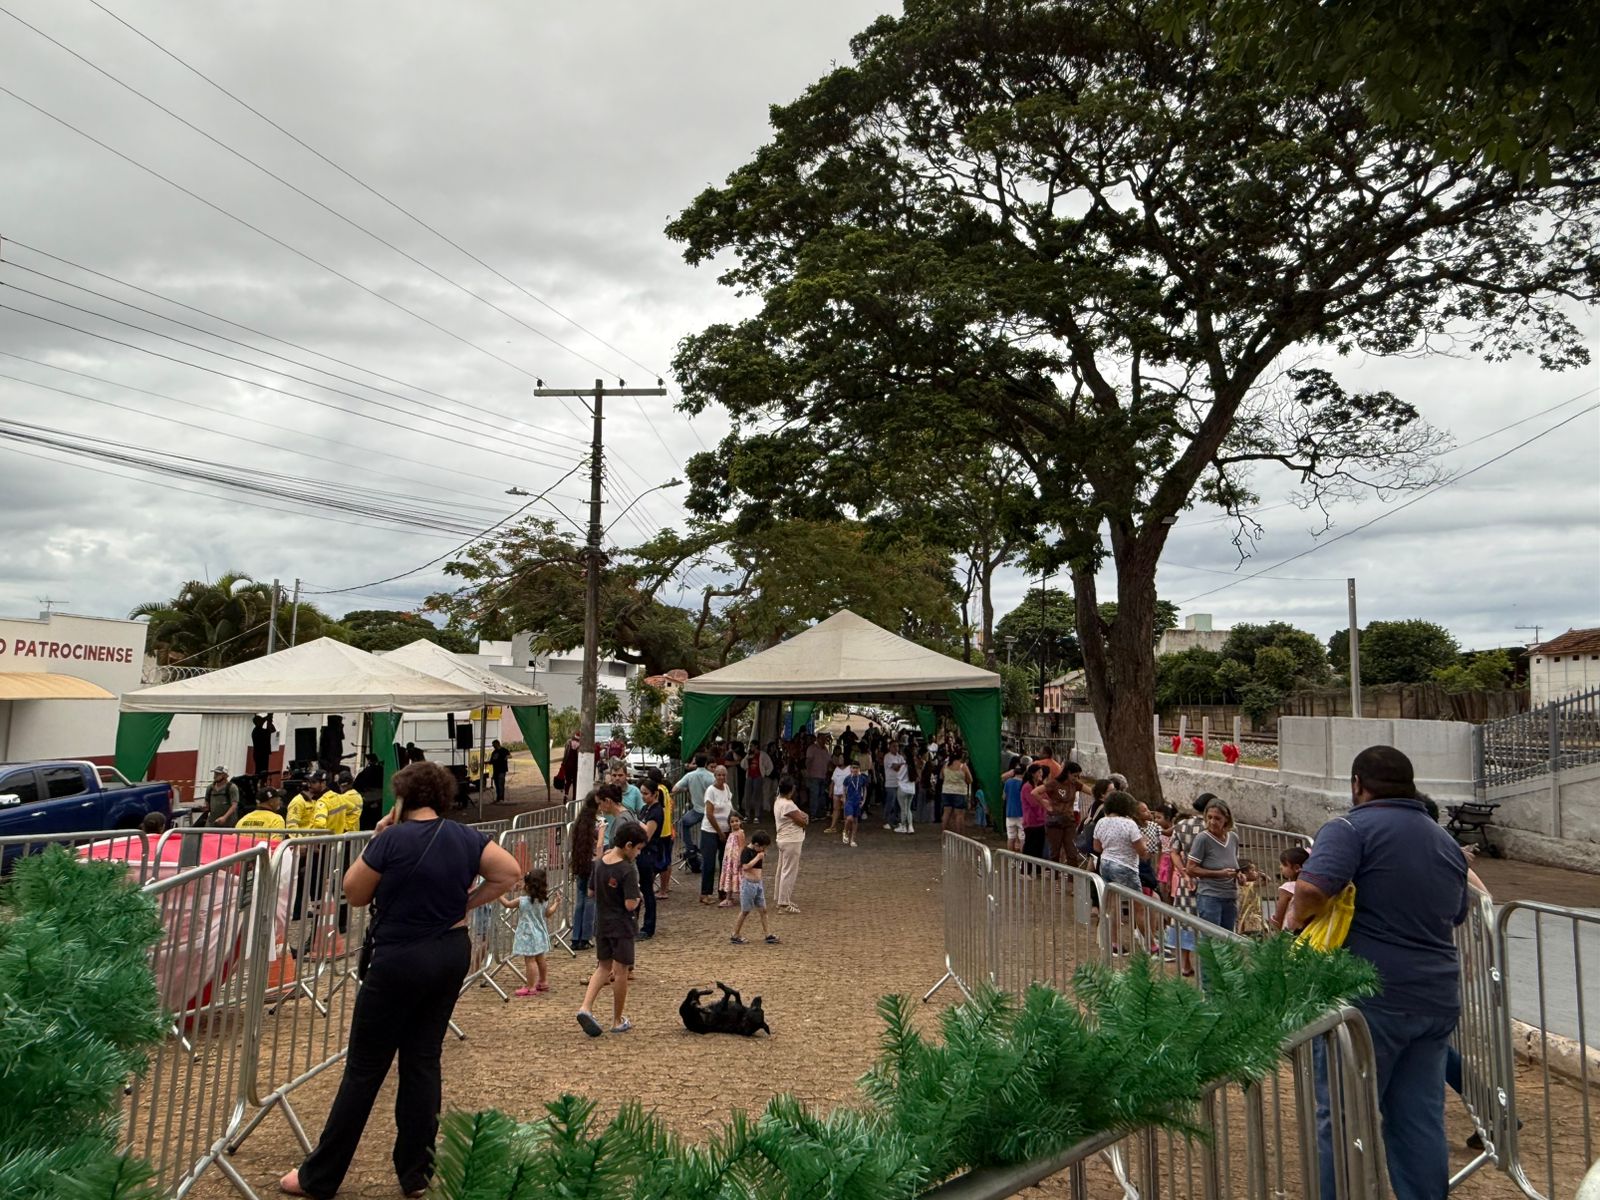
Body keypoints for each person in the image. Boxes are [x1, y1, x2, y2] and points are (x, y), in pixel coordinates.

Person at [279, 761, 521, 1199]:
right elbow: (509, 873)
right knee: (423, 1060)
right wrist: (465, 904)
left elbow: (354, 893)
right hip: (449, 952)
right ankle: (416, 1173)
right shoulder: (466, 837)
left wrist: (377, 839)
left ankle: (321, 1176)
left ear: (403, 798)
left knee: (365, 1069)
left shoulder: (391, 839)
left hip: (399, 957)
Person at [1290, 746, 1469, 1200]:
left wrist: (1296, 924)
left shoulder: (1350, 828)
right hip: (1435, 999)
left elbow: (1311, 888)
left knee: (1342, 1115)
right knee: (1419, 1120)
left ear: (1357, 784)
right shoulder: (1445, 842)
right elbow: (1459, 913)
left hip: (1367, 999)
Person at [576, 821, 647, 1037]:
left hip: (602, 924)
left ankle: (585, 1007)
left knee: (603, 967)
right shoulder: (627, 869)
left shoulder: (600, 863)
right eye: (638, 849)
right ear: (628, 845)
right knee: (621, 971)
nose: (638, 854)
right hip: (622, 926)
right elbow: (630, 904)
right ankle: (617, 1019)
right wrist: (638, 896)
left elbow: (590, 892)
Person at [1186, 797, 1240, 933]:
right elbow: (1190, 868)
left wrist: (1240, 875)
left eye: (1217, 818)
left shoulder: (1233, 838)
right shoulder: (1202, 839)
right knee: (1211, 938)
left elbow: (1234, 864)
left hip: (1230, 896)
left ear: (1226, 819)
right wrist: (1219, 874)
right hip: (1210, 896)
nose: (1212, 822)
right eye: (1209, 817)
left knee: (1228, 939)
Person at [500, 868, 557, 996]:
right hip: (540, 933)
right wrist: (556, 904)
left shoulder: (522, 901)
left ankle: (531, 986)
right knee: (541, 959)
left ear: (528, 886)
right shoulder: (543, 900)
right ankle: (543, 981)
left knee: (530, 961)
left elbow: (507, 904)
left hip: (528, 935)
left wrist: (497, 895)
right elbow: (548, 914)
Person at [729, 830, 779, 945]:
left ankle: (768, 934)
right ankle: (735, 934)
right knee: (745, 911)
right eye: (762, 847)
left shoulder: (759, 851)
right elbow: (745, 867)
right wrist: (757, 857)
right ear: (756, 844)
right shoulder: (746, 851)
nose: (763, 850)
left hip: (758, 884)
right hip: (748, 884)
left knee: (763, 909)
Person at [636, 776, 668, 938]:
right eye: (641, 793)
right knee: (639, 888)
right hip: (641, 853)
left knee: (647, 890)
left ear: (655, 794)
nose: (643, 796)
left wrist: (636, 822)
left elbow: (647, 835)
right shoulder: (645, 808)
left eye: (646, 793)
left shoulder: (656, 811)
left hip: (649, 853)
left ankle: (648, 927)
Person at [569, 794, 602, 951]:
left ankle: (576, 936)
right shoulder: (599, 823)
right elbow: (600, 844)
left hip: (580, 863)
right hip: (593, 863)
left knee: (580, 901)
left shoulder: (579, 823)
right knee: (591, 900)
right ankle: (586, 936)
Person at [771, 777, 808, 914]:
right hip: (791, 840)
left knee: (782, 869)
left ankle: (781, 898)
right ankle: (784, 903)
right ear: (791, 790)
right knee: (789, 871)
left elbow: (801, 816)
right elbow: (802, 821)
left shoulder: (778, 801)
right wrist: (804, 819)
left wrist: (802, 817)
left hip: (783, 839)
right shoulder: (788, 804)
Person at [672, 753, 715, 869]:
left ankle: (690, 848)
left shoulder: (690, 776)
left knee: (681, 824)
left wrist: (687, 789)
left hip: (697, 810)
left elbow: (675, 789)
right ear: (706, 763)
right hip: (710, 811)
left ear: (695, 762)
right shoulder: (712, 777)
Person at [699, 765, 734, 905]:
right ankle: (705, 893)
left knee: (725, 862)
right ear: (715, 776)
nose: (721, 777)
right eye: (719, 775)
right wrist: (719, 832)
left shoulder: (726, 788)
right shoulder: (710, 791)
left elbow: (729, 807)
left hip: (726, 829)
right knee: (709, 863)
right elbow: (709, 814)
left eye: (724, 775)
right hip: (710, 830)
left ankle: (723, 891)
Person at [645, 766, 674, 900]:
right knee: (666, 860)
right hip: (667, 829)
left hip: (661, 831)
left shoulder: (659, 791)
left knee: (661, 862)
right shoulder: (665, 788)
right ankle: (665, 887)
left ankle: (663, 889)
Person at [1271, 845, 1308, 930]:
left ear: (1297, 868)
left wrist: (1276, 928)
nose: (1280, 867)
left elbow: (1279, 916)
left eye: (1284, 865)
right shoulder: (1310, 886)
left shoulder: (1287, 888)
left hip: (1290, 931)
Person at [1020, 763, 1050, 859]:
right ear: (1033, 774)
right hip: (1031, 822)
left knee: (1039, 848)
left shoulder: (1040, 786)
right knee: (1030, 847)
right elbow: (1034, 803)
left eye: (1041, 772)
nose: (1041, 774)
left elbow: (1047, 799)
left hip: (1041, 821)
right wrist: (1043, 801)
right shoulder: (1027, 787)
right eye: (1039, 772)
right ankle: (1026, 867)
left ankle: (1037, 867)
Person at [940, 750, 973, 834]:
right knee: (959, 814)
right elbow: (970, 780)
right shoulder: (963, 766)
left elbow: (941, 776)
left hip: (946, 790)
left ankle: (944, 833)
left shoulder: (946, 765)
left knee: (946, 813)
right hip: (960, 792)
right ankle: (959, 834)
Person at [717, 813, 747, 906]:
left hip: (736, 859)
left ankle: (744, 898)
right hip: (729, 861)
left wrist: (740, 859)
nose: (734, 823)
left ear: (740, 821)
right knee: (729, 877)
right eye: (732, 822)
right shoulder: (731, 834)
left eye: (736, 821)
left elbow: (742, 846)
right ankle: (728, 898)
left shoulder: (740, 833)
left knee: (739, 877)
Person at [804, 734, 833, 820]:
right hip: (814, 775)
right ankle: (813, 814)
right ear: (818, 739)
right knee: (814, 795)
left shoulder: (825, 750)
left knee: (822, 795)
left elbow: (829, 761)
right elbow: (808, 761)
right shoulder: (812, 748)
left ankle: (820, 813)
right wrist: (808, 773)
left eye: (824, 739)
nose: (823, 741)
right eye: (822, 739)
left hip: (823, 775)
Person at [881, 740, 907, 830]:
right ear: (890, 747)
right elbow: (895, 767)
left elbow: (904, 767)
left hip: (899, 783)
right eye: (894, 746)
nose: (896, 748)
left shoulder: (900, 757)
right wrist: (901, 765)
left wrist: (900, 765)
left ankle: (896, 820)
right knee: (890, 803)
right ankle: (886, 820)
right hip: (890, 784)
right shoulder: (887, 757)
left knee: (898, 803)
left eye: (897, 746)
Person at [1236, 859, 1265, 937]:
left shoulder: (1249, 884)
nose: (1255, 872)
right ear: (1245, 873)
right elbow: (1266, 880)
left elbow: (1266, 881)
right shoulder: (1250, 885)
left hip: (1250, 918)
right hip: (1248, 917)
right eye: (1253, 870)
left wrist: (1261, 875)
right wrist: (1262, 875)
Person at [841, 762, 868, 847]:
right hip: (849, 801)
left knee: (855, 821)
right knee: (849, 818)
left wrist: (863, 800)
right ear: (851, 769)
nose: (855, 769)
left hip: (858, 802)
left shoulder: (862, 778)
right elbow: (844, 789)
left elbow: (865, 789)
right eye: (853, 768)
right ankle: (845, 831)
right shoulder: (848, 778)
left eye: (857, 768)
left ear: (859, 769)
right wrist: (844, 799)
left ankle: (852, 839)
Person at [1002, 765, 1026, 852]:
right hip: (1022, 813)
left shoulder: (1008, 782)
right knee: (1022, 837)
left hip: (1010, 813)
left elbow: (1004, 797)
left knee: (1011, 837)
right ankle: (1022, 858)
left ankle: (1010, 859)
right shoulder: (1024, 784)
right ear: (1024, 772)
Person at [825, 752, 850, 834]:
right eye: (839, 758)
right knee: (836, 809)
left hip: (846, 793)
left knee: (846, 810)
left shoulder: (850, 768)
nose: (839, 760)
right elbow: (833, 781)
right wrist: (830, 791)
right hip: (836, 792)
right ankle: (833, 827)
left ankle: (846, 828)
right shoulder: (836, 769)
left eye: (841, 758)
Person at [251, 714, 275, 783]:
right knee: (261, 772)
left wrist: (268, 719)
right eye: (260, 721)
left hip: (261, 754)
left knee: (262, 772)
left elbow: (272, 730)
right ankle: (259, 784)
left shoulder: (257, 730)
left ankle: (261, 784)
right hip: (260, 755)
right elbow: (271, 730)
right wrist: (268, 719)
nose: (262, 722)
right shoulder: (257, 731)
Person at [559, 732, 581, 802]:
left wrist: (563, 763)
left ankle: (566, 795)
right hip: (575, 767)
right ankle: (574, 797)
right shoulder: (580, 744)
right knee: (575, 783)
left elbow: (565, 754)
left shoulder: (568, 742)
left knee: (568, 781)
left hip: (567, 766)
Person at [489, 739, 510, 804]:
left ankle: (501, 799)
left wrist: (506, 757)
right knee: (497, 785)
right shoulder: (494, 752)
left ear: (497, 744)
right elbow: (491, 761)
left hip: (502, 770)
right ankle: (498, 798)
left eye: (494, 745)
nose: (493, 746)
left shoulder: (504, 750)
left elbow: (510, 755)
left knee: (501, 784)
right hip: (496, 771)